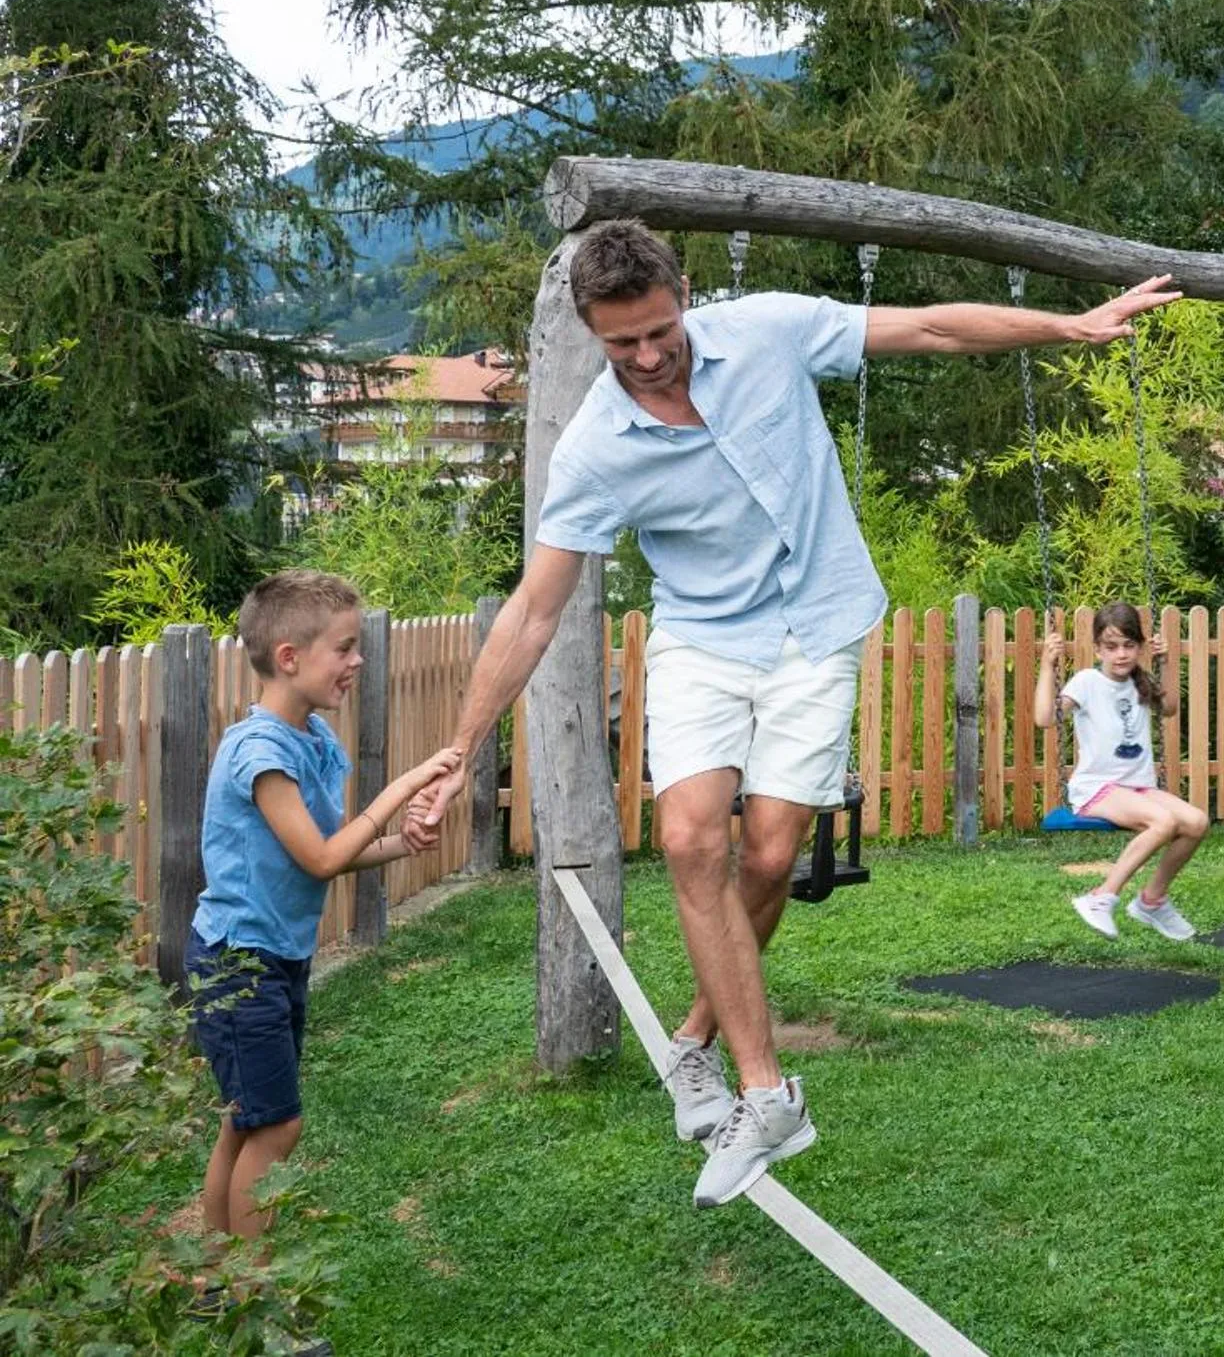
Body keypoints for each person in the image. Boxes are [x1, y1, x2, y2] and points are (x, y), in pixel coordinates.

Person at [404, 218, 1180, 1207]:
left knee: (768, 858)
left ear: (682, 292)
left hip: (816, 632)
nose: (646, 357)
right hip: (702, 641)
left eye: (658, 332)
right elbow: (535, 608)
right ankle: (769, 1096)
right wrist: (462, 744)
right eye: (621, 344)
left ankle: (694, 1042)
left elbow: (931, 329)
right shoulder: (597, 443)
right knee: (690, 841)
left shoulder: (766, 330)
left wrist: (1070, 329)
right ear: (594, 333)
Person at [189, 571, 461, 1250]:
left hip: (275, 957)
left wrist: (399, 841)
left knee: (246, 1117)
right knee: (275, 1125)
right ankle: (261, 1303)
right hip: (238, 959)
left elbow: (334, 848)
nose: (357, 660)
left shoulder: (309, 738)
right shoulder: (259, 753)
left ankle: (216, 1277)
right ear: (289, 657)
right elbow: (319, 857)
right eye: (344, 647)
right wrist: (398, 788)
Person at [1034, 602, 1209, 940]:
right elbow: (1045, 718)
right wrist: (1046, 665)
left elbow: (1170, 708)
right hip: (1098, 789)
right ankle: (1100, 897)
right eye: (1112, 647)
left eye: (1129, 645)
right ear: (1097, 648)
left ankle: (1152, 901)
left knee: (1196, 822)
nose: (1121, 654)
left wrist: (1166, 661)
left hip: (1138, 787)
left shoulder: (1139, 683)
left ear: (1140, 647)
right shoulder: (1087, 682)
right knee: (1164, 822)